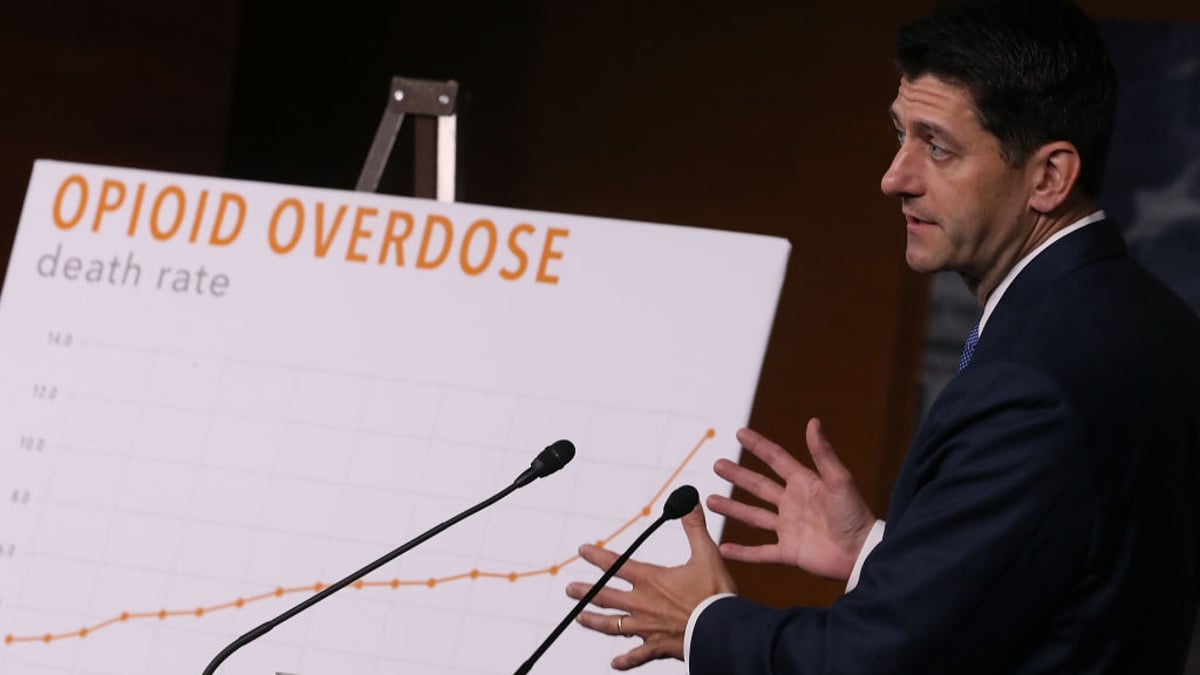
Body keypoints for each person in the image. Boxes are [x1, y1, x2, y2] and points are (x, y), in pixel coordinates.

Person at [565, 0, 1200, 672]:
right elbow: (1061, 584)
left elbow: (870, 664)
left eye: (936, 146)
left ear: (1048, 177)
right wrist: (874, 548)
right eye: (899, 135)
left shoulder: (1031, 383)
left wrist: (703, 623)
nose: (894, 177)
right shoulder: (1152, 321)